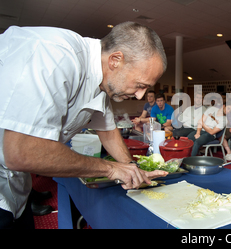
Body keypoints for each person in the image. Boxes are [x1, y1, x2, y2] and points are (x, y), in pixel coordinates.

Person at [0, 22, 169, 228]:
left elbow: (107, 130)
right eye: (140, 85)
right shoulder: (55, 55)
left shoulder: (102, 79)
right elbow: (22, 152)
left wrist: (131, 168)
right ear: (116, 60)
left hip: (14, 184)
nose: (140, 95)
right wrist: (111, 169)